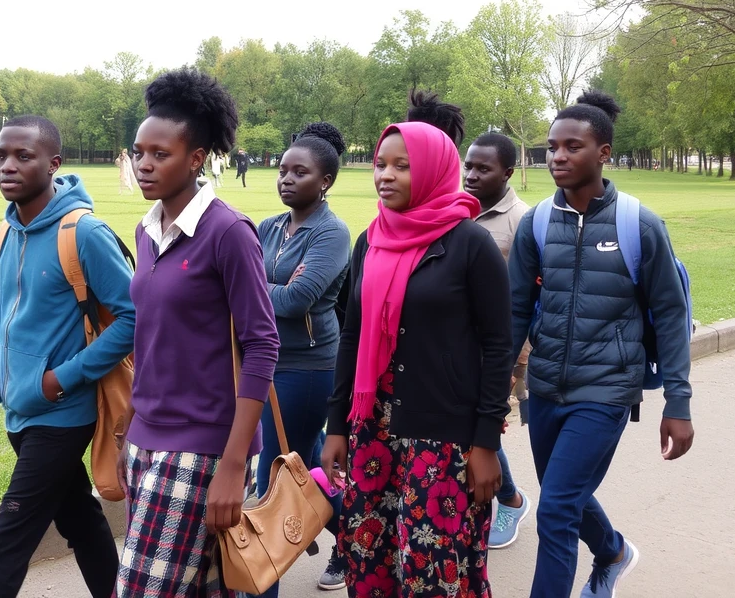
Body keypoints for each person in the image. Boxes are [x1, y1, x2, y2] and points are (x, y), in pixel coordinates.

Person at [508, 90, 695, 598]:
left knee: (556, 510)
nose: (558, 158)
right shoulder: (538, 222)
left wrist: (678, 403)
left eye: (572, 147)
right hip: (545, 387)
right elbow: (516, 311)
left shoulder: (640, 224)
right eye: (551, 148)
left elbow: (674, 317)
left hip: (607, 390)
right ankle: (612, 551)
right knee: (562, 496)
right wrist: (494, 381)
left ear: (604, 152)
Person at [323, 122, 512, 598]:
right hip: (374, 429)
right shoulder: (371, 240)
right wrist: (338, 425)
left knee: (435, 567)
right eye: (381, 164)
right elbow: (352, 335)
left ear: (431, 170)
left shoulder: (469, 244)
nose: (386, 175)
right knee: (371, 559)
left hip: (444, 437)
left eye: (402, 166)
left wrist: (486, 442)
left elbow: (497, 347)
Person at [116, 68, 280, 598]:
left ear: (196, 157)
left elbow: (262, 345)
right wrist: (130, 430)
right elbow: (153, 340)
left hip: (204, 449)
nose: (144, 164)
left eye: (160, 154)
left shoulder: (227, 233)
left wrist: (234, 465)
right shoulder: (146, 231)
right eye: (139, 151)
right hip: (148, 439)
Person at [0, 116, 136, 598]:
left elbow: (134, 317)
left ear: (53, 164)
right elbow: (3, 328)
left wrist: (60, 379)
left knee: (8, 539)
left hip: (64, 411)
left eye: (24, 156)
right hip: (22, 410)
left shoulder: (82, 232)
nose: (8, 166)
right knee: (80, 521)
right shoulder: (5, 234)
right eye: (1, 155)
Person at [254, 122, 353, 596]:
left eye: (300, 172)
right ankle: (360, 541)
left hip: (309, 370)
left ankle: (258, 581)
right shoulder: (269, 227)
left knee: (272, 476)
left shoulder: (332, 233)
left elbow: (296, 300)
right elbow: (240, 286)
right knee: (307, 471)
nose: (286, 179)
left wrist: (259, 289)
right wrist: (270, 289)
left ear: (325, 181)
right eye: (282, 169)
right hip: (265, 363)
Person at [463, 131, 534, 550]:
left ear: (507, 173)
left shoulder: (520, 220)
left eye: (482, 168)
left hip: (500, 349)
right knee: (470, 427)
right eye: (468, 165)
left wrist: (514, 361)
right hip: (458, 345)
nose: (471, 175)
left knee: (484, 428)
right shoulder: (458, 211)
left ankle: (510, 498)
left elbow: (526, 297)